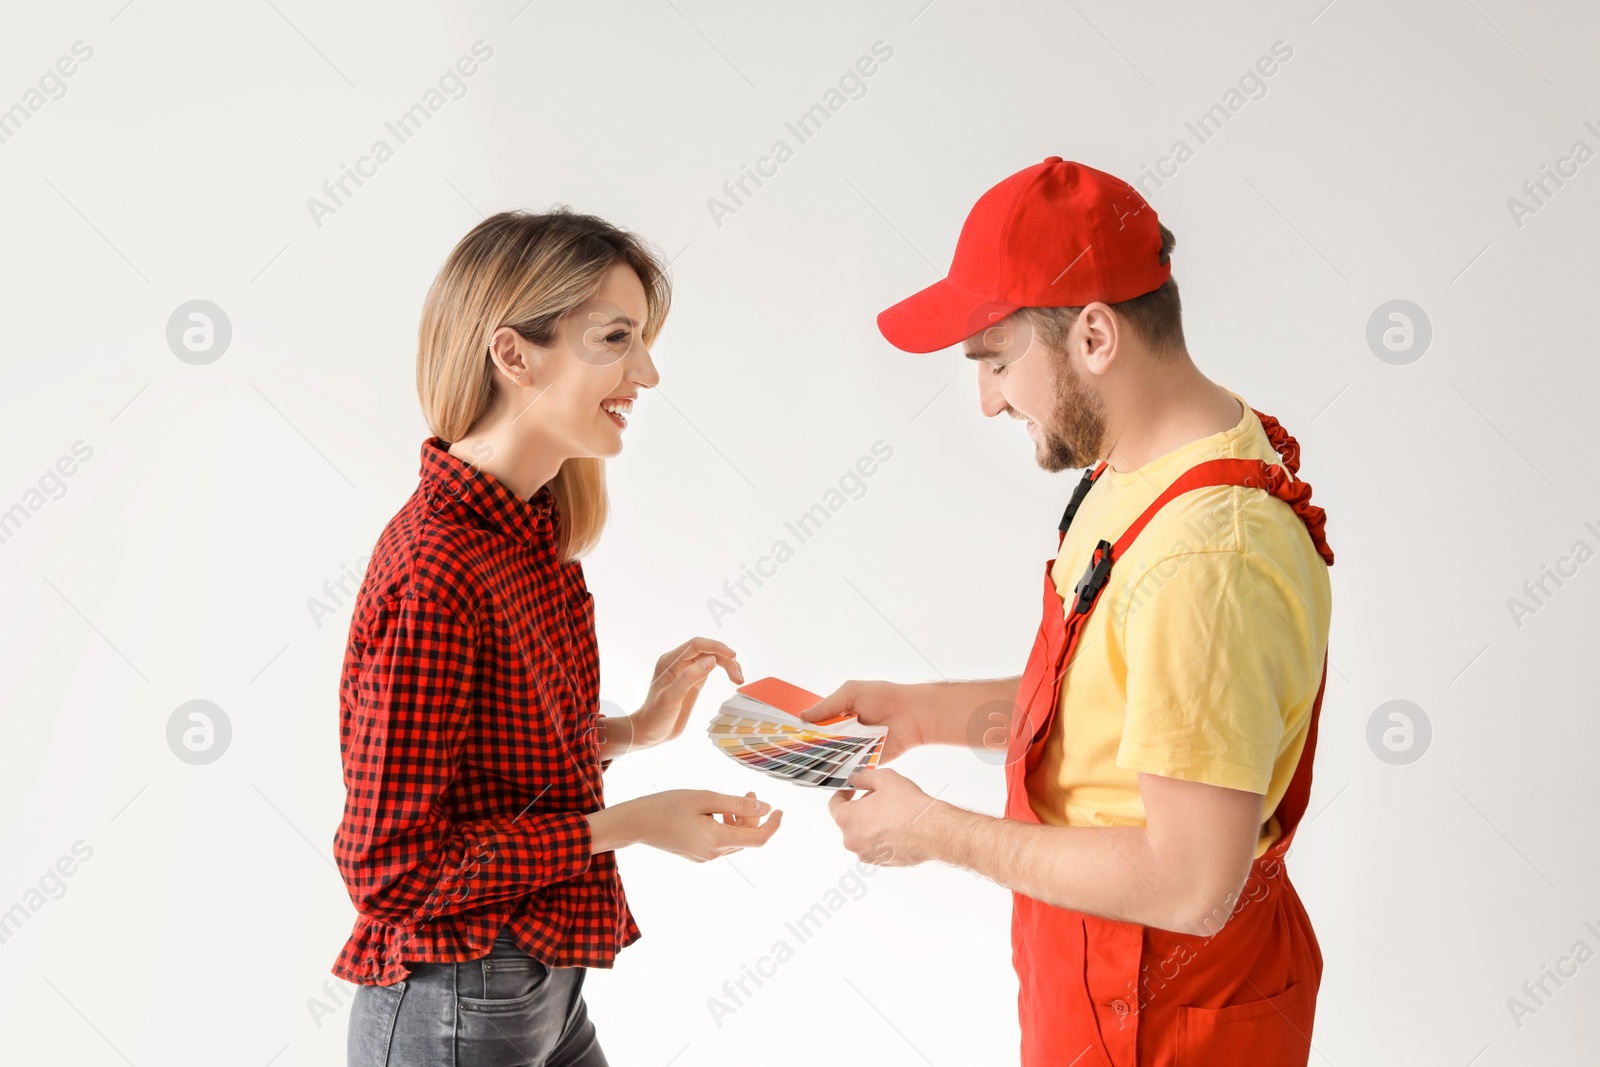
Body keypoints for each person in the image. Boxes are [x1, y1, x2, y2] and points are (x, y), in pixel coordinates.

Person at [806, 158, 1334, 1066]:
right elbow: (1117, 697)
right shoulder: (1137, 465)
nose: (987, 400)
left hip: (1166, 1009)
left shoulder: (1207, 560)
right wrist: (920, 712)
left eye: (997, 360)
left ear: (1095, 336)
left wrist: (933, 830)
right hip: (1095, 979)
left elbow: (1189, 883)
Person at [333, 208, 783, 1067]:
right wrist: (633, 822)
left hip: (529, 984)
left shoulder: (527, 535)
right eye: (615, 338)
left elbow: (489, 773)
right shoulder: (438, 570)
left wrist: (635, 730)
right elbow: (391, 872)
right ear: (513, 354)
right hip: (455, 992)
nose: (646, 371)